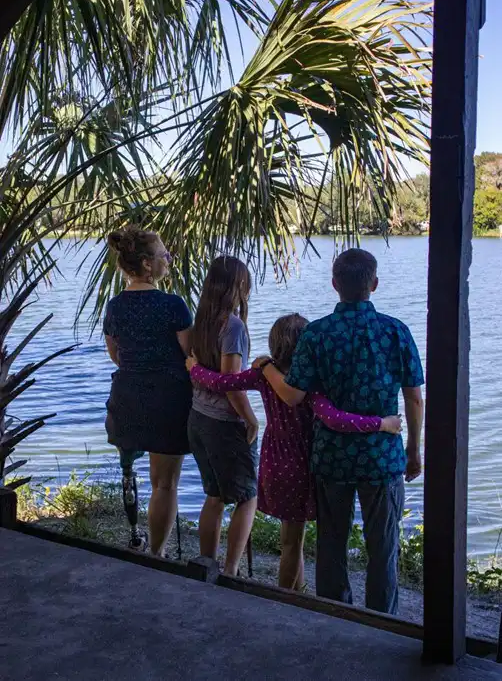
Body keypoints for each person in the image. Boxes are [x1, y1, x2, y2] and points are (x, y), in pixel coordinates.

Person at [260, 249, 424, 615]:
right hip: (382, 457)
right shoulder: (396, 331)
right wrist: (414, 450)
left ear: (335, 285)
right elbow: (414, 399)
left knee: (331, 544)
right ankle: (383, 620)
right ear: (374, 285)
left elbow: (294, 394)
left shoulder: (315, 335)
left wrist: (266, 367)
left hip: (331, 457)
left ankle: (336, 617)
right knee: (383, 546)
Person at [187, 313, 402, 590]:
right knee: (292, 542)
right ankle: (287, 597)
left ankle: (298, 591)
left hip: (274, 459)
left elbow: (221, 383)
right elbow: (336, 419)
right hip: (300, 463)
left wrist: (194, 368)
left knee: (292, 538)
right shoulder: (309, 385)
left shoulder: (263, 376)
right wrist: (381, 423)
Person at [104, 226, 192, 556]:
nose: (168, 260)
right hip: (168, 399)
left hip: (127, 398)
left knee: (134, 473)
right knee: (164, 484)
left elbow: (116, 354)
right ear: (146, 264)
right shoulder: (173, 306)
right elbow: (189, 354)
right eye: (163, 256)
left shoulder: (115, 307)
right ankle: (157, 554)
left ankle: (136, 536)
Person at [188, 256, 258, 577]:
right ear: (237, 287)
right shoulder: (233, 326)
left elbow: (197, 371)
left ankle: (207, 565)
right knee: (247, 497)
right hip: (223, 424)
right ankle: (230, 571)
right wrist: (251, 419)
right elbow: (232, 383)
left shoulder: (201, 320)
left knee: (214, 497)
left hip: (198, 419)